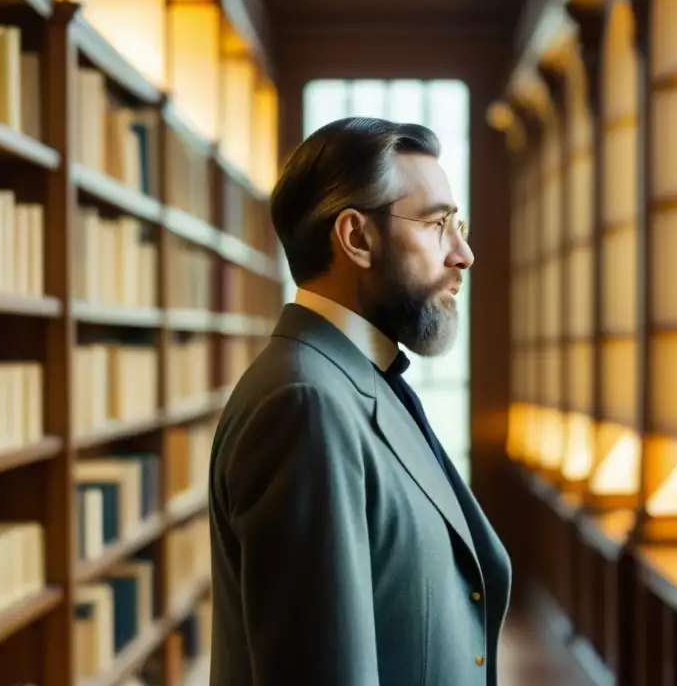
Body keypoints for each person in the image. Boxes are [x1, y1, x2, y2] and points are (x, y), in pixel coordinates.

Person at [208, 117, 512, 686]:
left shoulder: (353, 378)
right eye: (437, 224)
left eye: (459, 224)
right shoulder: (305, 404)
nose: (464, 254)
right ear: (355, 238)